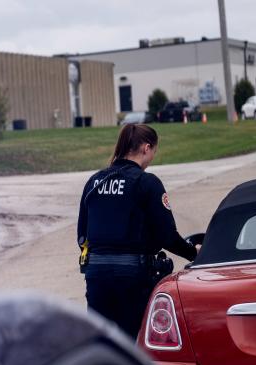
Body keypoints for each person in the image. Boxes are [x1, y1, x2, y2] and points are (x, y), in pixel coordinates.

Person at [77, 124, 197, 338]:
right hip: (133, 278)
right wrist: (194, 253)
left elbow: (82, 236)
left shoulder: (95, 181)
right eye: (154, 151)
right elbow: (166, 235)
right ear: (146, 148)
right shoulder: (146, 182)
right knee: (135, 343)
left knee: (101, 342)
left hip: (96, 277)